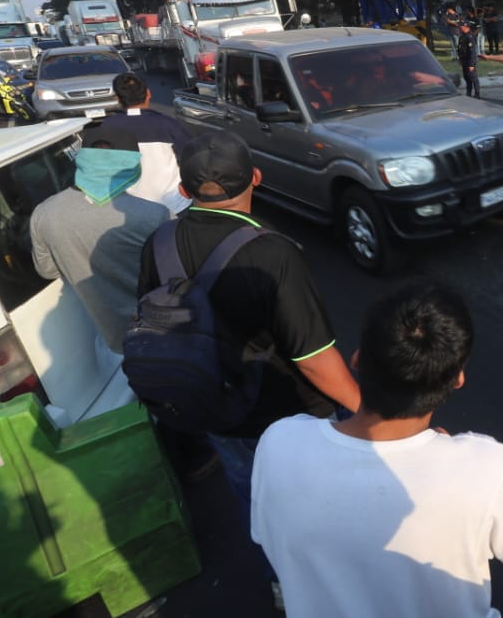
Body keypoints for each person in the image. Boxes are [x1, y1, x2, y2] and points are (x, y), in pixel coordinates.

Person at [138, 130, 361, 605]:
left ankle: (282, 583)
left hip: (215, 408)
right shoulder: (271, 252)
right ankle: (334, 584)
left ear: (184, 190)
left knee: (253, 498)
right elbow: (313, 357)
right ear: (255, 178)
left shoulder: (157, 242)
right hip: (286, 413)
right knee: (319, 502)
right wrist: (365, 407)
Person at [251, 283, 503, 618]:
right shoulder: (486, 466)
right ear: (457, 379)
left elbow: (266, 538)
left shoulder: (279, 443)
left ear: (357, 360)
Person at [32, 126, 171, 354]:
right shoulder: (155, 215)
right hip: (163, 334)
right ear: (131, 163)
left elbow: (48, 271)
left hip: (113, 341)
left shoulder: (43, 213)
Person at [98, 72, 192, 213]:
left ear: (117, 98)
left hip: (131, 211)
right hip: (175, 206)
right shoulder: (167, 125)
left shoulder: (107, 127)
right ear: (148, 93)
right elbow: (191, 158)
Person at [455, 20, 480, 99]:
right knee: (466, 77)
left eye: (461, 26)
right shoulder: (462, 36)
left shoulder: (470, 36)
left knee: (473, 77)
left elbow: (472, 52)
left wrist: (471, 64)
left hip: (469, 61)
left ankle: (477, 93)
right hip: (464, 60)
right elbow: (459, 48)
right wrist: (459, 58)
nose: (459, 27)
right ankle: (468, 92)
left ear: (466, 27)